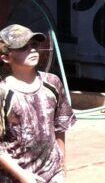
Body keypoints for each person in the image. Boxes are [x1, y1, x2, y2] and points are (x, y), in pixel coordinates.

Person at [0, 25, 75, 183]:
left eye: (34, 44)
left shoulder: (52, 82)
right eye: (23, 47)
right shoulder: (3, 91)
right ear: (6, 57)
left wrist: (62, 168)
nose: (32, 49)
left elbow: (60, 126)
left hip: (53, 174)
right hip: (15, 176)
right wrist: (22, 175)